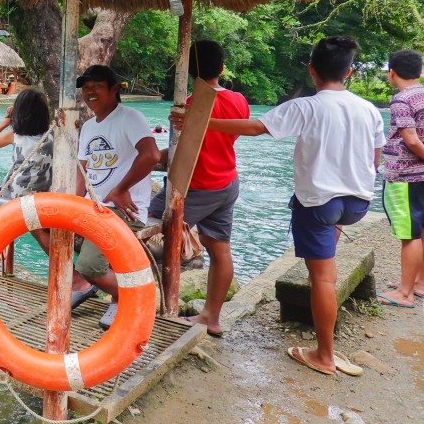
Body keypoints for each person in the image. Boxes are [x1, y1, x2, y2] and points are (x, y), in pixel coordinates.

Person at [177, 37, 383, 376]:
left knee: (323, 279)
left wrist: (201, 122)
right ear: (348, 71)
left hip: (319, 204)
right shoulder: (369, 110)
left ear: (312, 70)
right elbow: (373, 162)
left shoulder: (306, 106)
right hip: (357, 203)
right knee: (328, 256)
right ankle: (324, 344)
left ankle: (325, 356)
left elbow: (258, 128)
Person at [150, 40, 249, 337]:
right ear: (221, 68)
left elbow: (183, 151)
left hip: (198, 186)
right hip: (227, 182)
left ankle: (141, 301)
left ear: (188, 70)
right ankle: (211, 317)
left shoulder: (189, 106)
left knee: (149, 229)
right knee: (219, 248)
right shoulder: (239, 101)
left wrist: (152, 158)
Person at [0, 90, 99, 307]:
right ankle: (74, 277)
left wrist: (6, 121)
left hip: (19, 196)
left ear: (19, 115)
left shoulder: (15, 135)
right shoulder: (54, 136)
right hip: (43, 194)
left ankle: (76, 280)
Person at [73, 65, 160, 328]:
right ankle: (88, 287)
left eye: (96, 86)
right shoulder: (88, 126)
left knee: (89, 266)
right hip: (93, 207)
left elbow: (152, 155)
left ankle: (130, 297)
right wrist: (72, 205)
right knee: (46, 229)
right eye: (86, 88)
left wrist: (121, 189)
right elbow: (83, 171)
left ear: (114, 89)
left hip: (123, 209)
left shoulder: (129, 118)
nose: (90, 92)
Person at [377, 49, 424, 308]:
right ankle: (419, 283)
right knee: (421, 229)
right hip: (422, 178)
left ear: (392, 72)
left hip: (405, 175)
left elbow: (411, 138)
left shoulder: (401, 99)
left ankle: (404, 293)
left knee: (409, 234)